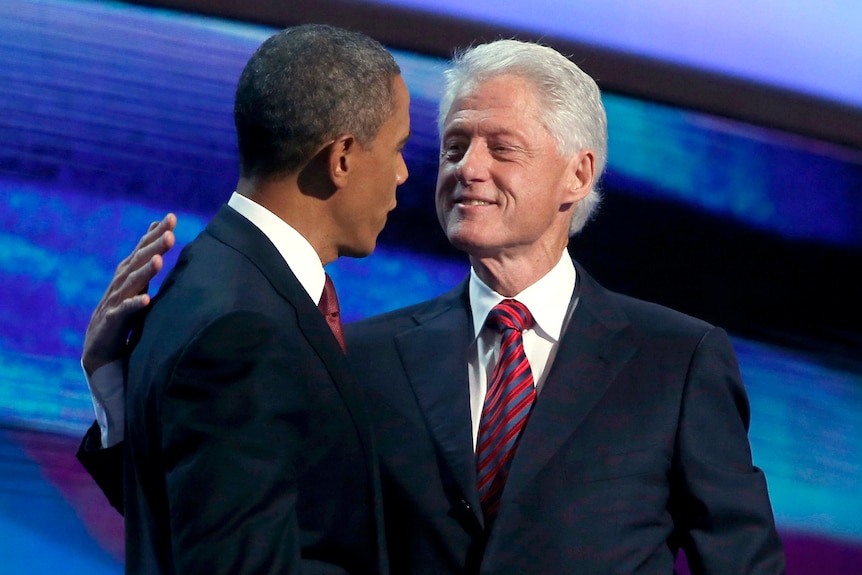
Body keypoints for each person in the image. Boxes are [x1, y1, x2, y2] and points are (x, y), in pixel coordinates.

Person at [78, 39, 785, 574]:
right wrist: (122, 405)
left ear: (578, 172)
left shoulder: (678, 360)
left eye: (500, 148)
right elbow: (232, 522)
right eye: (454, 145)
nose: (465, 168)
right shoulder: (362, 354)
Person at [77, 24, 410, 574]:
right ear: (342, 158)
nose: (402, 173)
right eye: (397, 148)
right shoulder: (242, 329)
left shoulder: (212, 274)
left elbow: (199, 518)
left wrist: (114, 392)